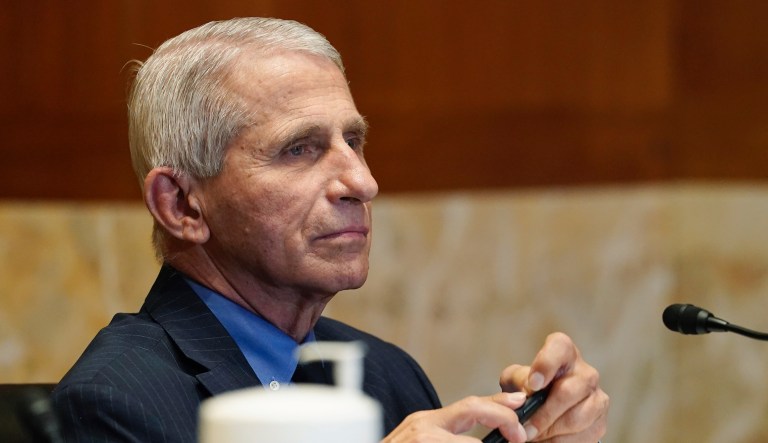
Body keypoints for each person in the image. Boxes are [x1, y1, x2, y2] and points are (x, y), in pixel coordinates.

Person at [51, 17, 608, 442]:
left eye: (354, 141)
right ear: (181, 207)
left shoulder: (386, 375)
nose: (362, 182)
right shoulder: (114, 402)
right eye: (300, 149)